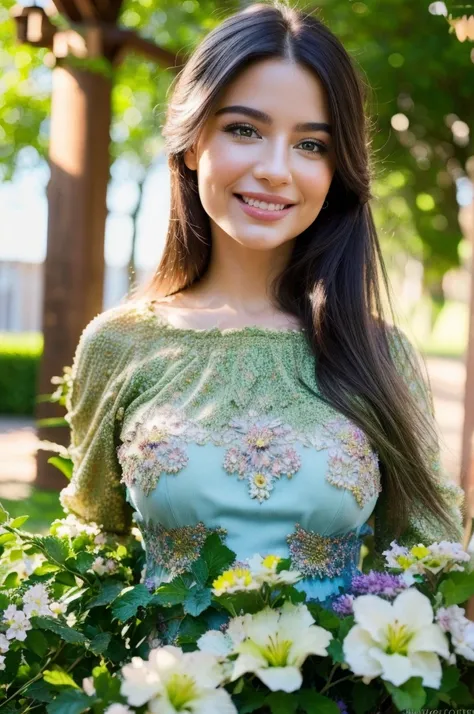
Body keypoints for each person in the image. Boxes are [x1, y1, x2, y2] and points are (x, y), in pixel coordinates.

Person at [59, 0, 464, 602]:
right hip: (165, 690)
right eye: (244, 130)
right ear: (194, 142)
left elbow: (435, 569)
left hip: (336, 693)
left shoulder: (380, 354)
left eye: (311, 145)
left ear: (338, 169)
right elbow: (94, 558)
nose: (276, 170)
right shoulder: (119, 344)